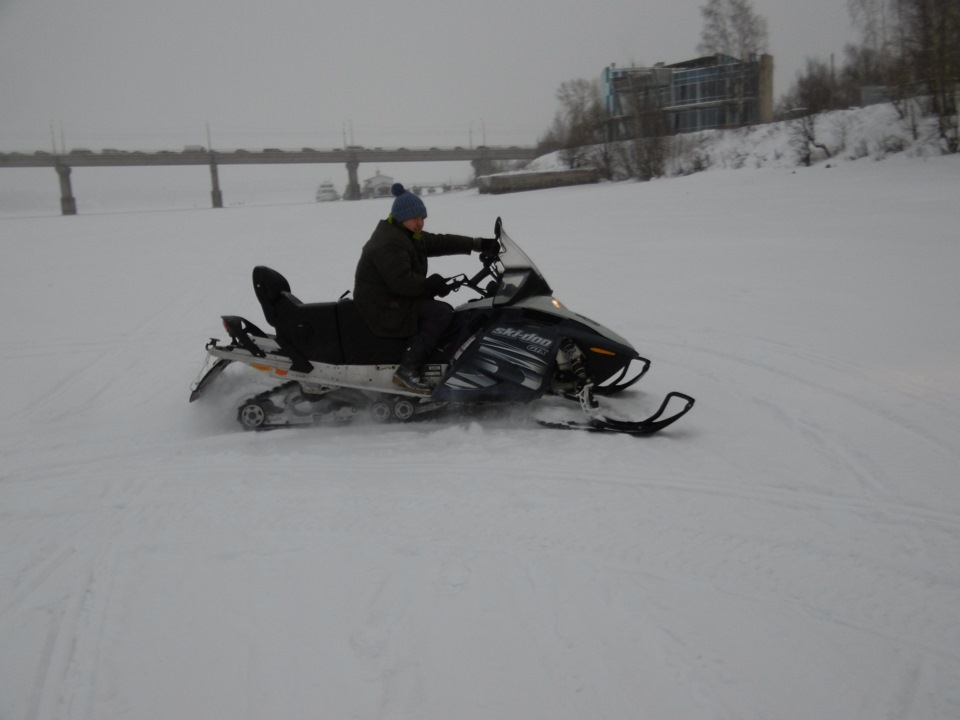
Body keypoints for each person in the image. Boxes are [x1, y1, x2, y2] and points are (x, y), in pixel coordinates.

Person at [353, 183, 498, 395]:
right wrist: (429, 285)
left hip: (393, 298)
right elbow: (401, 281)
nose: (420, 223)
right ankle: (407, 370)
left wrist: (478, 244)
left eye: (422, 218)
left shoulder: (406, 234)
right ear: (401, 217)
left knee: (447, 310)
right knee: (439, 313)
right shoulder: (389, 242)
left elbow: (439, 242)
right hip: (381, 305)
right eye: (415, 218)